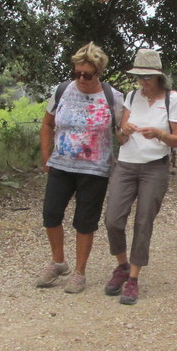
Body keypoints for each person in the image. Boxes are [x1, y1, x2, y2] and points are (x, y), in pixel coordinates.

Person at [37, 42, 124, 294]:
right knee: (51, 214)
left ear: (99, 72)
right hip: (61, 164)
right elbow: (47, 124)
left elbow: (121, 131)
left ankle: (79, 272)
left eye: (87, 74)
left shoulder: (113, 97)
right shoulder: (62, 90)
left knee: (85, 222)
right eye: (77, 73)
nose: (82, 78)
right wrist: (46, 158)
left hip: (94, 169)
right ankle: (58, 262)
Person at [103, 48, 177, 305]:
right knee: (113, 219)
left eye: (148, 77)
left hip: (154, 167)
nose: (143, 82)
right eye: (139, 77)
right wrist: (122, 129)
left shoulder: (173, 100)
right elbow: (121, 136)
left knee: (143, 222)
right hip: (126, 164)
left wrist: (159, 134)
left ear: (159, 76)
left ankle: (134, 279)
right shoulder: (131, 96)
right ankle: (122, 265)